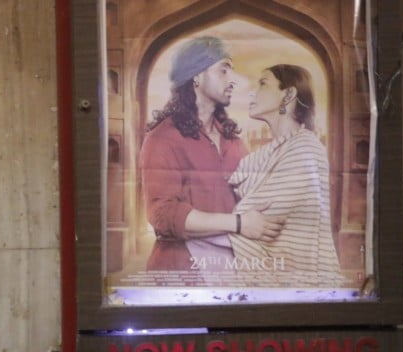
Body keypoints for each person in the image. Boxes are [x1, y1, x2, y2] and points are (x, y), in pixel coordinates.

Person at [139, 36, 283, 273]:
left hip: (230, 270)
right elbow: (161, 215)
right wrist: (238, 223)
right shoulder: (163, 138)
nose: (232, 80)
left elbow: (251, 196)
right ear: (196, 76)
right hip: (181, 273)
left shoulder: (232, 140)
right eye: (223, 70)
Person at [227, 64, 343, 286]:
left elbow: (260, 219)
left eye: (263, 83)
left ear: (289, 94)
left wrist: (238, 217)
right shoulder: (257, 157)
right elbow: (244, 217)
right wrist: (240, 218)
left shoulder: (305, 148)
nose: (253, 92)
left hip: (302, 285)